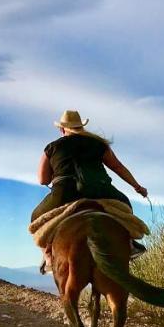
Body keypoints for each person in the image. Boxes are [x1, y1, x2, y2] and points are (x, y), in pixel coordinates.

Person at [32, 110, 148, 263]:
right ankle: (129, 244)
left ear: (62, 129)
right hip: (100, 191)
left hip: (65, 193)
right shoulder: (99, 144)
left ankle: (47, 255)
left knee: (35, 217)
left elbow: (42, 180)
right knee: (125, 205)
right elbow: (118, 167)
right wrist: (137, 187)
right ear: (80, 126)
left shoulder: (52, 147)